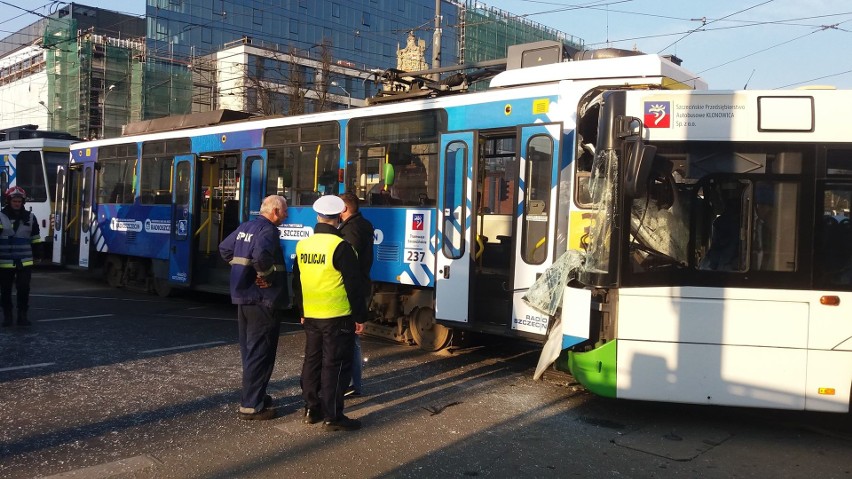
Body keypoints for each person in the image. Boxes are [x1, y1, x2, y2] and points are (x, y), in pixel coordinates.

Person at [292, 195, 367, 431]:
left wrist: (302, 310)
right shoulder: (341, 247)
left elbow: (298, 282)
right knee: (335, 365)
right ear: (338, 217)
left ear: (318, 217)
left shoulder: (303, 246)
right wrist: (360, 317)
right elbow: (353, 285)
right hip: (337, 316)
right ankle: (333, 417)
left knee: (312, 361)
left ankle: (310, 408)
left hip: (312, 315)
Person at [218, 195, 289, 420]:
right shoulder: (268, 231)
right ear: (275, 212)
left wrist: (244, 273)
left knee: (250, 350)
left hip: (244, 297)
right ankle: (251, 405)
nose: (286, 216)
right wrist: (264, 276)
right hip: (263, 299)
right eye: (285, 211)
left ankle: (256, 395)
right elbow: (261, 258)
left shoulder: (246, 226)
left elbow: (225, 249)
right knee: (261, 351)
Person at [338, 192, 375, 398]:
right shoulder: (359, 225)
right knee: (351, 337)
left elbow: (349, 265)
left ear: (344, 209)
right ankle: (352, 382)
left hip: (352, 287)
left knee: (351, 338)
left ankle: (351, 383)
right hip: (360, 283)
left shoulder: (351, 230)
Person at [0, 187, 42, 327]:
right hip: (5, 261)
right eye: (14, 200)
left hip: (25, 261)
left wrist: (38, 254)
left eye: (19, 201)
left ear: (23, 201)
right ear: (9, 201)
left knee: (23, 289)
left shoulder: (30, 217)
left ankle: (22, 316)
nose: (17, 203)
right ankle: (7, 317)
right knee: (5, 291)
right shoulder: (1, 216)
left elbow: (35, 238)